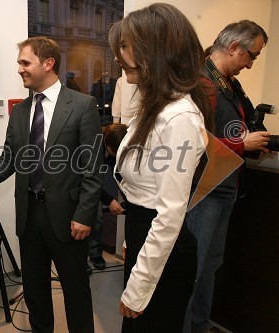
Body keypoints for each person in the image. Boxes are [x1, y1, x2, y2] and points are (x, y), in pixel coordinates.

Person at [0, 36, 103, 332]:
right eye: (19, 63)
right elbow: (9, 158)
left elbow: (93, 166)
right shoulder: (22, 111)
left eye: (25, 62)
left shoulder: (82, 105)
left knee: (75, 290)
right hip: (30, 215)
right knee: (34, 290)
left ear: (48, 64)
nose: (20, 69)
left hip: (69, 217)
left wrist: (85, 214)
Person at [109, 4, 214, 331]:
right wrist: (130, 243)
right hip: (144, 237)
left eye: (125, 47)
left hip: (164, 253)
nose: (118, 56)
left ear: (153, 52)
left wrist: (138, 288)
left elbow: (168, 214)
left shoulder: (178, 117)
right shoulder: (153, 107)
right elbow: (144, 189)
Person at [184, 20, 270, 333]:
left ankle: (199, 325)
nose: (250, 64)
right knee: (194, 269)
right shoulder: (201, 82)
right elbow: (192, 141)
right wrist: (240, 143)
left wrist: (248, 147)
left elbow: (222, 131)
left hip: (225, 186)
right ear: (233, 47)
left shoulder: (228, 84)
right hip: (206, 189)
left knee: (210, 266)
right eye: (251, 55)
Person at [88, 123, 127, 271]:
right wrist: (109, 200)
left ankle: (95, 253)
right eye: (115, 151)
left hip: (93, 183)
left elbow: (118, 175)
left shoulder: (117, 146)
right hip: (79, 183)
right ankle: (80, 259)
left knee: (97, 222)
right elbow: (90, 179)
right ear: (106, 143)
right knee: (90, 218)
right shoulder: (92, 147)